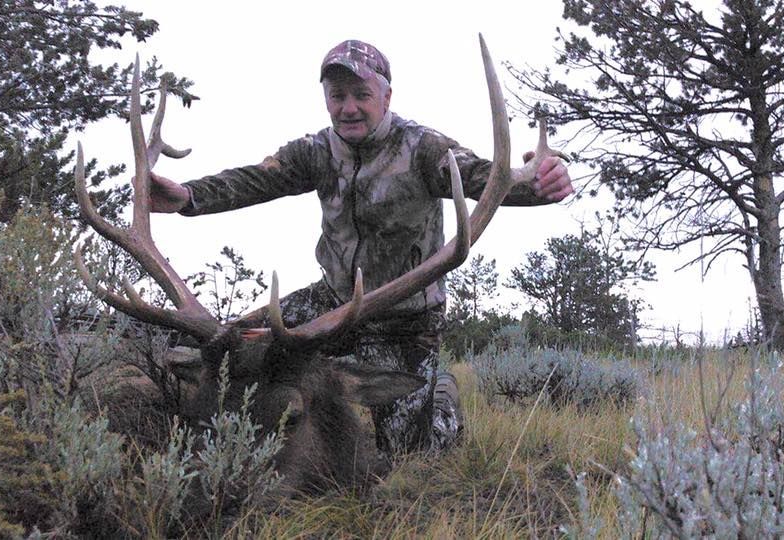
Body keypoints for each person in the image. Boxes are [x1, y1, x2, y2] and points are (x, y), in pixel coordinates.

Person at [148, 40, 573, 457]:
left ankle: (442, 401)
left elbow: (481, 175)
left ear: (386, 97)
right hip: (331, 301)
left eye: (361, 95)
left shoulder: (423, 148)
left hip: (403, 318)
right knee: (226, 346)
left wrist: (536, 185)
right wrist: (188, 196)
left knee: (406, 451)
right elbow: (257, 178)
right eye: (337, 96)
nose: (348, 107)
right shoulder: (316, 151)